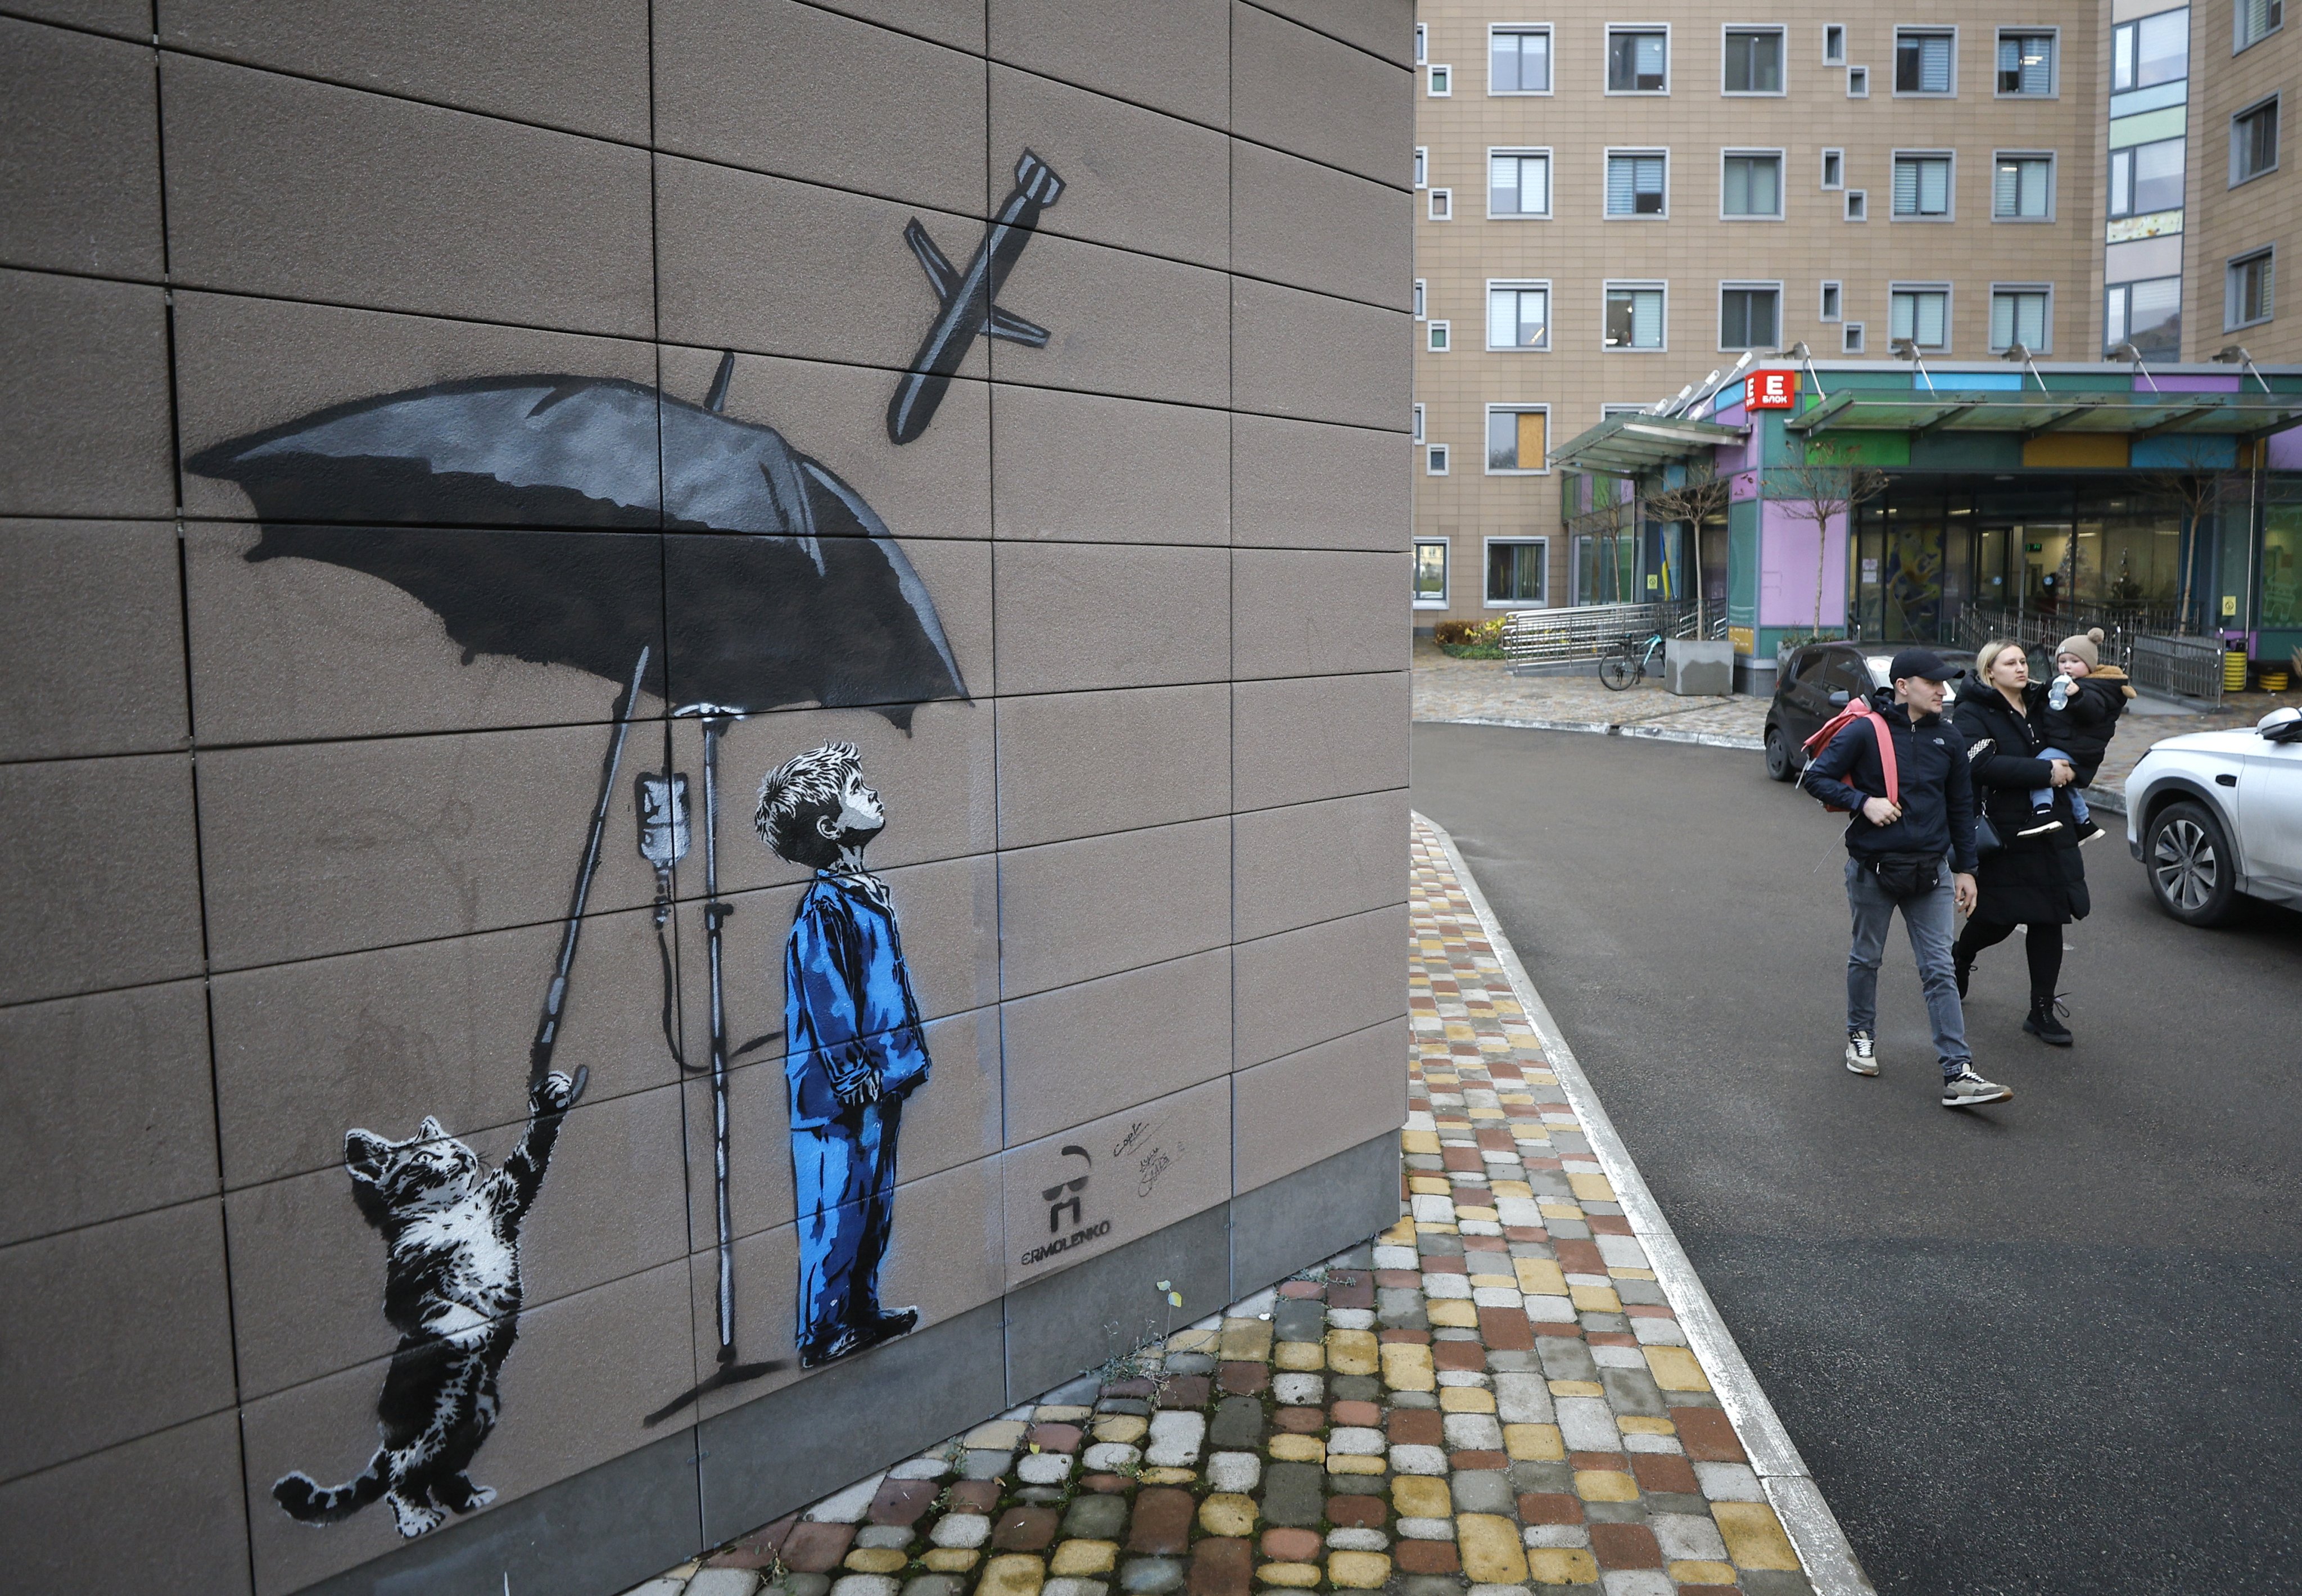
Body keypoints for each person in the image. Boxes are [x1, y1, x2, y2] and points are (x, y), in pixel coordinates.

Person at [755, 742, 931, 1368]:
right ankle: (824, 1330)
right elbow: (827, 998)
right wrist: (855, 1074)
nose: (872, 792)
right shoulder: (823, 909)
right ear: (832, 828)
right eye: (857, 787)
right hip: (841, 1098)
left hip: (881, 1082)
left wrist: (898, 1062)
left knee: (873, 1206)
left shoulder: (866, 894)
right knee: (836, 1211)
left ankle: (861, 1312)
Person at [1802, 648, 2012, 1107]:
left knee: (1939, 967)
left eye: (1945, 683)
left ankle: (1957, 1072)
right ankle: (1861, 1036)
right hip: (1872, 869)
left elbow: (1962, 806)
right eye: (1933, 683)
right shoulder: (1865, 731)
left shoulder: (1950, 739)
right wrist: (1864, 803)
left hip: (1931, 871)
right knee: (1866, 957)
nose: (1943, 690)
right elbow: (1816, 777)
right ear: (1903, 686)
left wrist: (1966, 869)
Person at [1952, 641, 2092, 1047]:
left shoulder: (2043, 702)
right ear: (1989, 672)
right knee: (1998, 916)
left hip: (2050, 826)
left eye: (2023, 661)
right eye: (2009, 662)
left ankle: (2041, 1009)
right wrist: (2044, 771)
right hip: (2005, 828)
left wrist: (2071, 767)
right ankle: (1961, 954)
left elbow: (2076, 740)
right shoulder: (1972, 712)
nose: (2020, 668)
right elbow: (1980, 765)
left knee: (2049, 916)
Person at [2035, 627, 2134, 842]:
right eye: (2062, 661)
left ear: (2089, 665)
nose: (2067, 666)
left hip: (2078, 748)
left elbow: (2094, 711)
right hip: (2070, 745)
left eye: (2074, 661)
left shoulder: (2097, 688)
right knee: (2066, 785)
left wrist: (2078, 696)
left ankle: (2042, 812)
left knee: (2041, 768)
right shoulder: (2062, 683)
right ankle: (2085, 823)